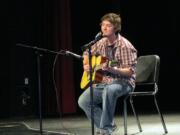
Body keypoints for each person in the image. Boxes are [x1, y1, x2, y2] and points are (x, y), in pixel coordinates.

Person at [78, 12, 137, 135]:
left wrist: (113, 70)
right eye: (102, 25)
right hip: (104, 81)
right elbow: (86, 53)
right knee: (83, 101)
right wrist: (86, 65)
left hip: (124, 82)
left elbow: (130, 72)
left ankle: (105, 130)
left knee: (109, 90)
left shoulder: (125, 45)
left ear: (115, 28)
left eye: (108, 25)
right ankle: (109, 125)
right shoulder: (102, 42)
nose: (104, 28)